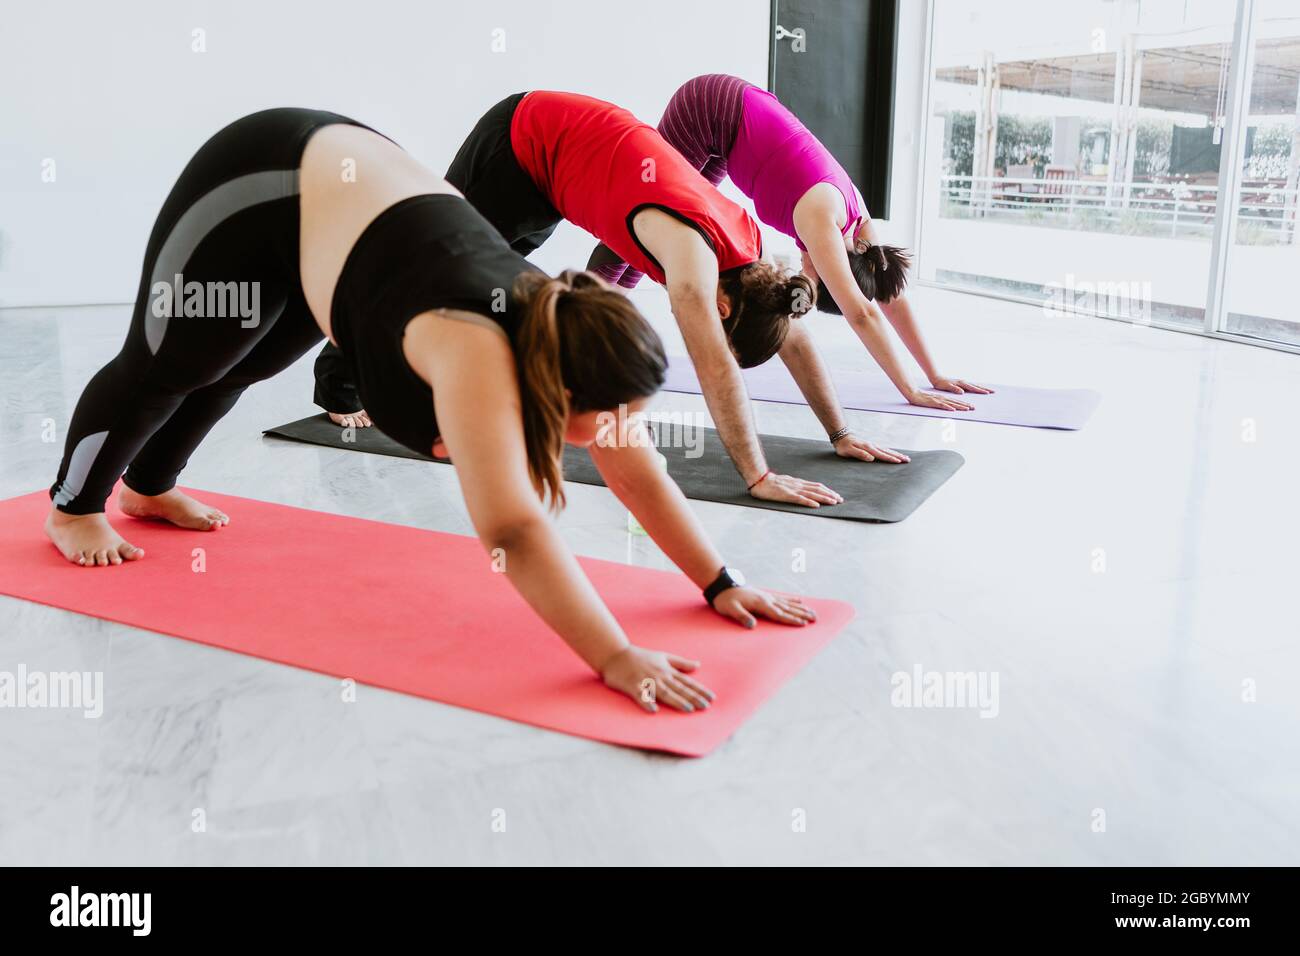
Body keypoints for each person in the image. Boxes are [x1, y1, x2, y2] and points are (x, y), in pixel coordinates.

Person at [43, 108, 816, 712]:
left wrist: (720, 583)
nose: (621, 435)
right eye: (614, 416)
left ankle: (146, 486)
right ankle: (74, 504)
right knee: (174, 359)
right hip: (262, 175)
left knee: (244, 359)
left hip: (349, 212)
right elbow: (511, 529)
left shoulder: (569, 340)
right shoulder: (471, 347)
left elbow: (639, 474)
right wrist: (615, 657)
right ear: (566, 393)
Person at [313, 89, 910, 509]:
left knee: (489, 285)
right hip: (520, 139)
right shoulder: (694, 262)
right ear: (724, 309)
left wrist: (841, 433)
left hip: (554, 165)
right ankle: (338, 383)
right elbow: (714, 368)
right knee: (424, 260)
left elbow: (794, 339)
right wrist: (757, 475)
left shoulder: (758, 264)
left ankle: (436, 366)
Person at [588, 74, 991, 409]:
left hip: (727, 126)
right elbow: (862, 315)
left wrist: (933, 373)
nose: (806, 273)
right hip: (708, 108)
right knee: (640, 214)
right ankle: (583, 322)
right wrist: (910, 390)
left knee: (656, 233)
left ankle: (601, 328)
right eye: (819, 275)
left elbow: (887, 294)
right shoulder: (822, 221)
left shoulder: (860, 229)